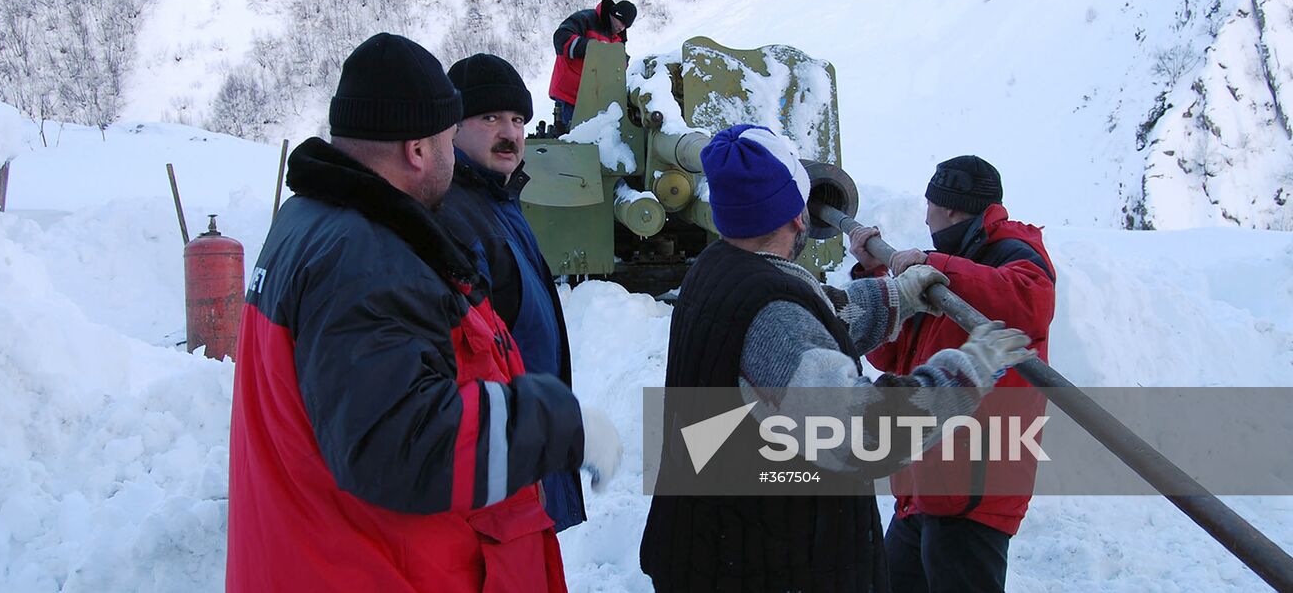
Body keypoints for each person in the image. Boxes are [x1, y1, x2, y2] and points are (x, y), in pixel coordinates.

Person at [226, 32, 621, 593]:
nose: (451, 155)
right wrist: (552, 424)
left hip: (325, 550)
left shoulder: (312, 222)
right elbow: (401, 440)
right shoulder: (365, 260)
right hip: (369, 569)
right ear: (417, 149)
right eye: (445, 137)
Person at [639, 125, 1037, 593]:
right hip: (767, 563)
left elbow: (822, 313)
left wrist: (898, 296)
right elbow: (865, 434)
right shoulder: (778, 320)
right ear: (797, 216)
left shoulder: (720, 271)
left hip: (720, 545)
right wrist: (964, 373)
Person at [849, 154, 1056, 593]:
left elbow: (1030, 304)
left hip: (973, 485)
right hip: (926, 482)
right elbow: (891, 356)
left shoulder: (1011, 254)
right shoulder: (954, 261)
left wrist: (936, 265)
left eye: (930, 204)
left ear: (949, 208)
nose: (925, 216)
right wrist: (875, 272)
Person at [437, 52, 586, 533]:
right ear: (451, 127)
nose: (510, 131)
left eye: (518, 118)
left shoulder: (498, 202)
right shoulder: (456, 218)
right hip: (501, 471)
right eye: (489, 117)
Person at [548, 0, 636, 132]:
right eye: (620, 22)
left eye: (625, 26)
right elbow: (561, 38)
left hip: (595, 101)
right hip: (569, 95)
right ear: (614, 14)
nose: (621, 27)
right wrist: (593, 48)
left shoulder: (618, 40)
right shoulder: (586, 19)